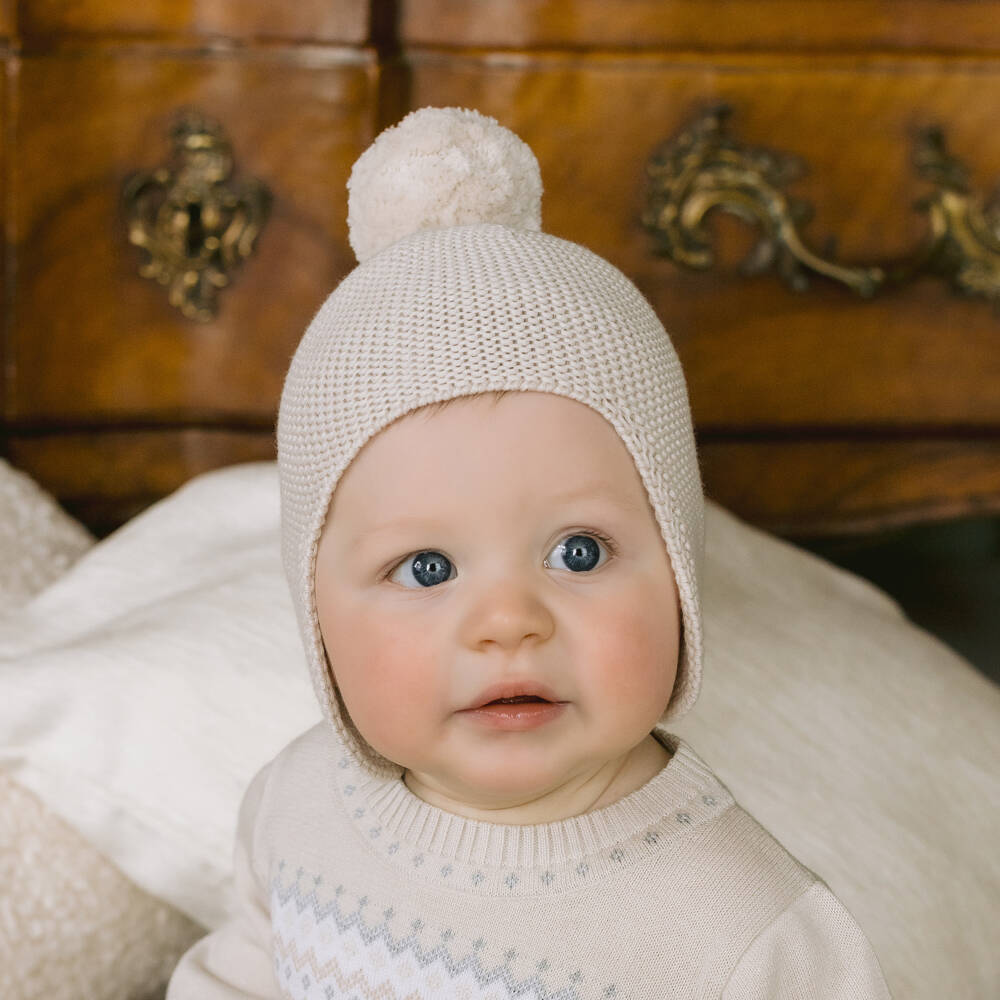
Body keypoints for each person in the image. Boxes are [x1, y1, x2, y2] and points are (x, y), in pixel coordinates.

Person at [167, 106, 892, 998]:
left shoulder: (742, 933)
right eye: (426, 568)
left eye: (579, 553)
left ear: (679, 573)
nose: (509, 621)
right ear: (315, 610)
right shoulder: (300, 807)